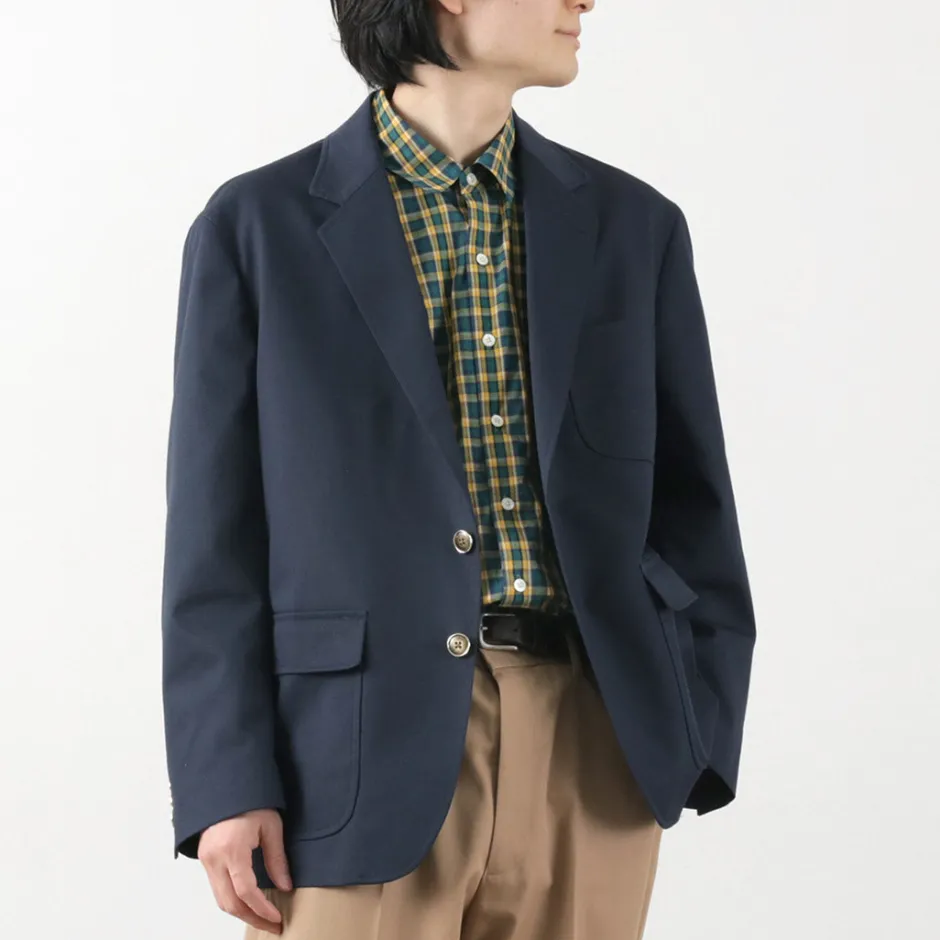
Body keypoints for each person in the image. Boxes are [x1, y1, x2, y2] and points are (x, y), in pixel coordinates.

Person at [161, 1, 757, 937]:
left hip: (596, 742)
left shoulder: (634, 226)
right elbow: (215, 539)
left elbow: (695, 508)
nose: (583, 2)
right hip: (353, 754)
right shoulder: (259, 228)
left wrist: (695, 724)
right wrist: (226, 782)